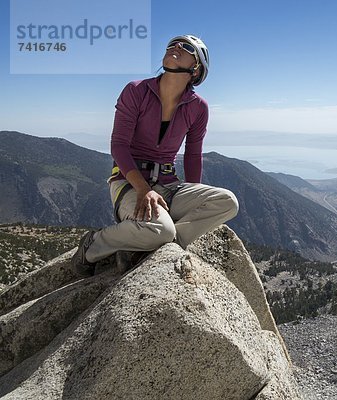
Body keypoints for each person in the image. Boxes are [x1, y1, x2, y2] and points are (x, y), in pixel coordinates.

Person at [71, 34, 239, 276]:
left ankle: (146, 247)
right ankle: (93, 244)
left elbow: (193, 155)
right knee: (162, 230)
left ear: (196, 69)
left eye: (187, 47)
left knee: (228, 202)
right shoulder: (136, 91)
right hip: (129, 183)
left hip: (170, 185)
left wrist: (192, 194)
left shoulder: (198, 107)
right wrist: (142, 189)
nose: (175, 47)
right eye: (173, 43)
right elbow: (119, 145)